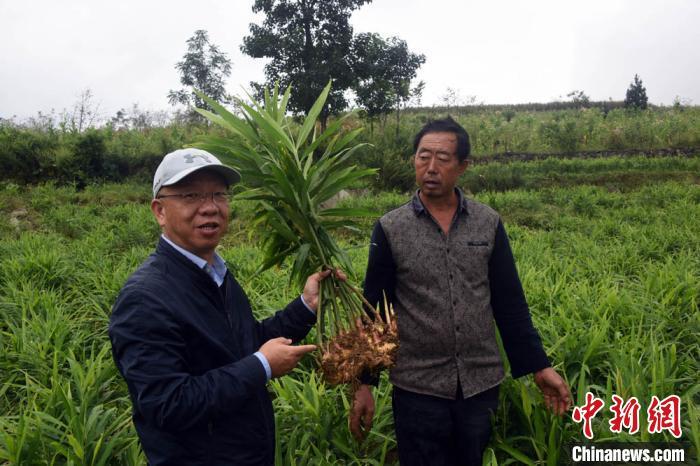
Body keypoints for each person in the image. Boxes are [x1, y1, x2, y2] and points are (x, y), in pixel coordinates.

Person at [349, 117, 571, 465]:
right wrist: (364, 383)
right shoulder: (391, 228)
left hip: (480, 384)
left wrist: (539, 365)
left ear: (463, 166)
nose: (431, 168)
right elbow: (374, 311)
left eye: (443, 158)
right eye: (423, 157)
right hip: (417, 387)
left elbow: (509, 301)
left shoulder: (488, 222)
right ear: (413, 160)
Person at [109, 148, 339, 466]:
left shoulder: (216, 273)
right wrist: (262, 366)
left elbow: (241, 344)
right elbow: (168, 404)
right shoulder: (145, 298)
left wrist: (306, 307)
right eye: (191, 196)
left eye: (219, 194)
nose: (210, 208)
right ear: (159, 211)